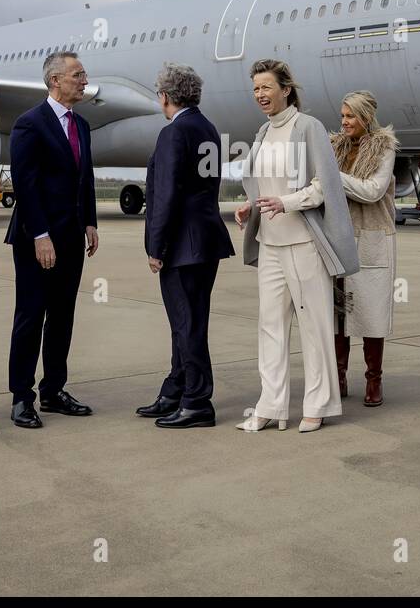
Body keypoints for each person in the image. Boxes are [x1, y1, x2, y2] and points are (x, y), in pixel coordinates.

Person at [234, 60, 359, 433]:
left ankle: (318, 404)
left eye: (267, 87)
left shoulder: (308, 128)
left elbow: (325, 185)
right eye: (256, 88)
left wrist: (286, 202)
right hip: (269, 242)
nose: (260, 95)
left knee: (314, 325)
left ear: (286, 89)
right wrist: (250, 203)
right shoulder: (261, 133)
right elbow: (261, 183)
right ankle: (270, 405)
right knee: (270, 327)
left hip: (303, 242)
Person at [136, 63, 236, 429]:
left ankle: (197, 401)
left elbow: (165, 194)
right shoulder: (207, 128)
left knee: (187, 324)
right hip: (206, 238)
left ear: (165, 96)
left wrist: (155, 246)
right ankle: (176, 389)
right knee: (188, 321)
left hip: (182, 244)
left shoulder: (174, 132)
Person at [6, 51, 99, 429]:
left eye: (83, 74)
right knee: (31, 317)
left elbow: (85, 178)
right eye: (77, 75)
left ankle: (54, 390)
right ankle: (21, 397)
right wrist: (41, 235)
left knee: (62, 316)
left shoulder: (83, 126)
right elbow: (25, 186)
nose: (83, 80)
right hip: (36, 239)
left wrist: (90, 222)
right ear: (55, 80)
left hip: (72, 236)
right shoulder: (30, 124)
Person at [331, 91, 397, 407]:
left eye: (350, 116)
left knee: (371, 312)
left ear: (365, 117)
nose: (344, 122)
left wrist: (334, 179)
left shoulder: (384, 149)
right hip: (340, 239)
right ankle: (338, 377)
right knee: (337, 314)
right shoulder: (335, 149)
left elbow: (372, 192)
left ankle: (374, 379)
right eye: (342, 116)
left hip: (372, 238)